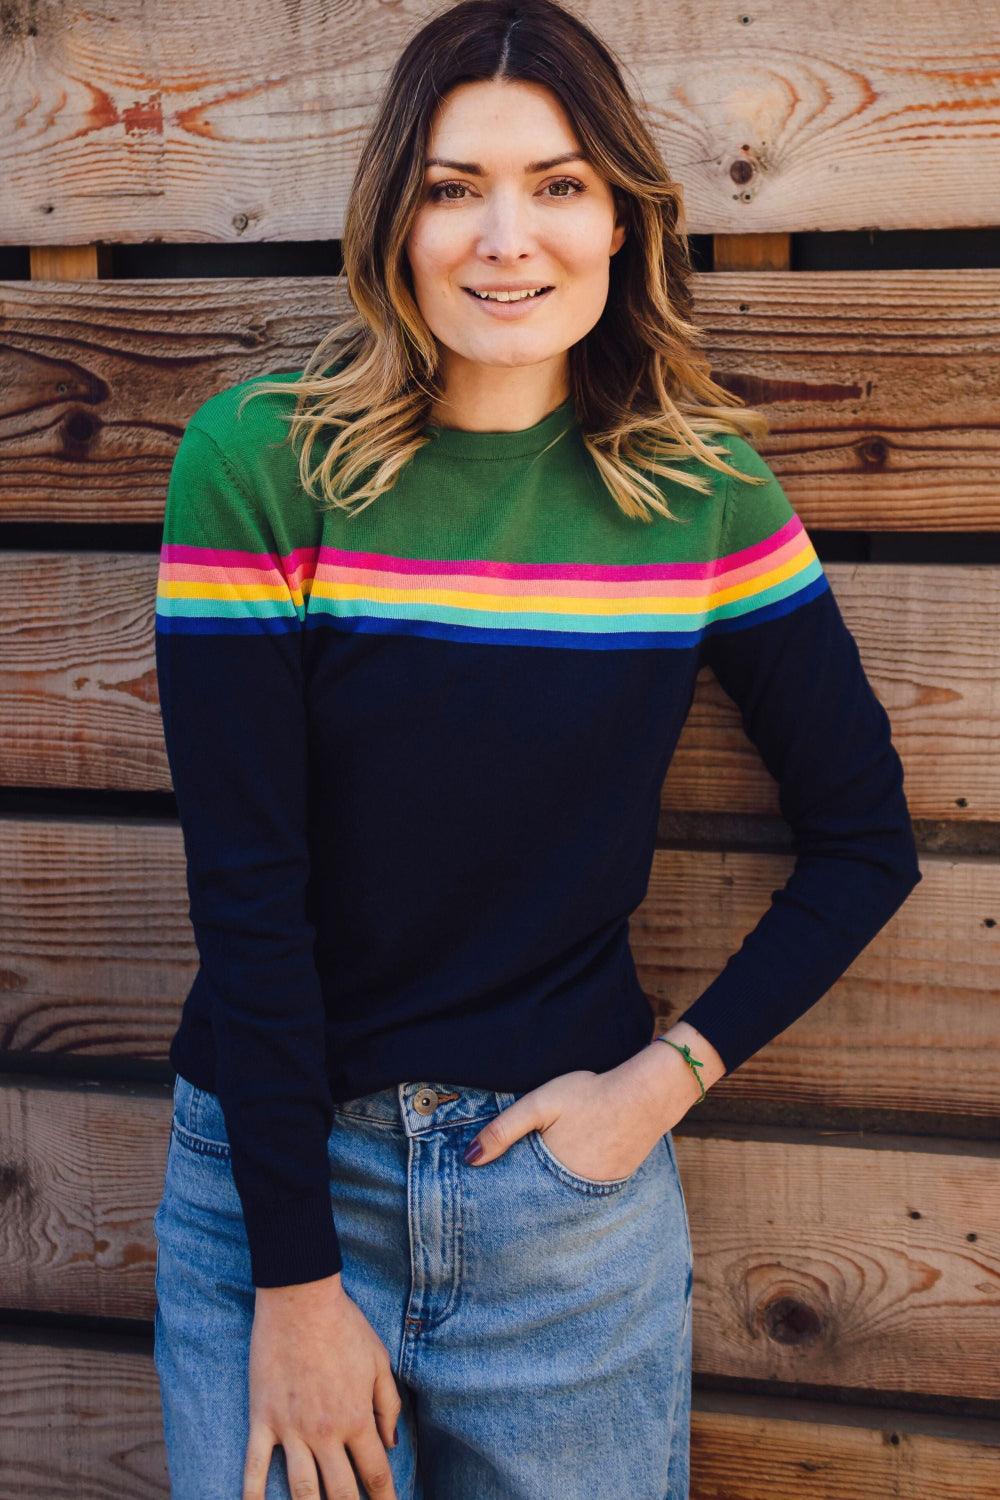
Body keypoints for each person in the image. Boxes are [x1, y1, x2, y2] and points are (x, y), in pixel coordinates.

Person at [151, 2, 922, 1497]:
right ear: (396, 219)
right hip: (281, 1197)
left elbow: (864, 840)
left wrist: (664, 1079)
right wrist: (297, 1289)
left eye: (560, 185)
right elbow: (248, 896)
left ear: (625, 221)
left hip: (566, 1222)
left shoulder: (702, 491)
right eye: (454, 188)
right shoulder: (261, 459)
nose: (507, 238)